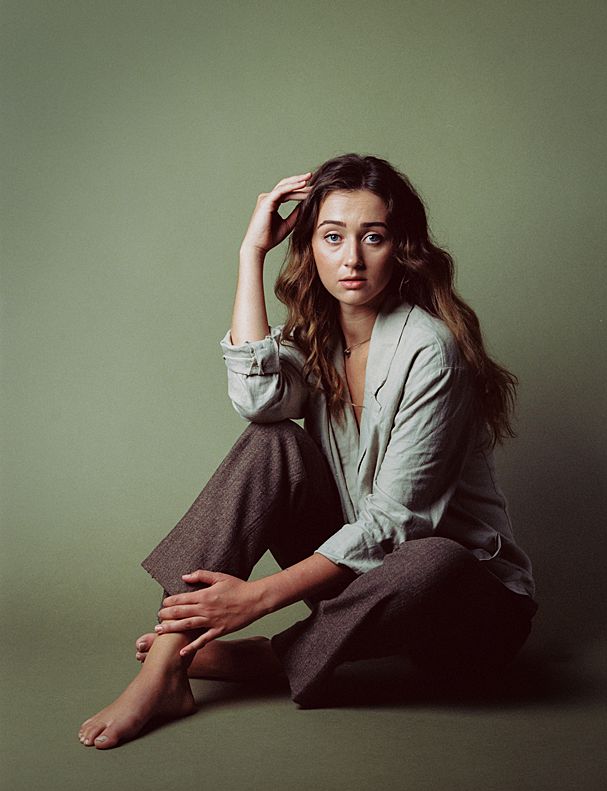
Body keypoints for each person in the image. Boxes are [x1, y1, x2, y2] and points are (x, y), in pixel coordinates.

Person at [78, 153, 536, 750]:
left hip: (465, 617)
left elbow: (397, 522)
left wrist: (256, 599)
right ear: (310, 248)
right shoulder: (318, 341)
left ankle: (268, 658)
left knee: (437, 556)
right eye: (332, 236)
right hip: (366, 584)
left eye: (373, 237)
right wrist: (250, 254)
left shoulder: (431, 350)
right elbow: (258, 398)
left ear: (400, 247)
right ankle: (168, 663)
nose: (351, 258)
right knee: (272, 443)